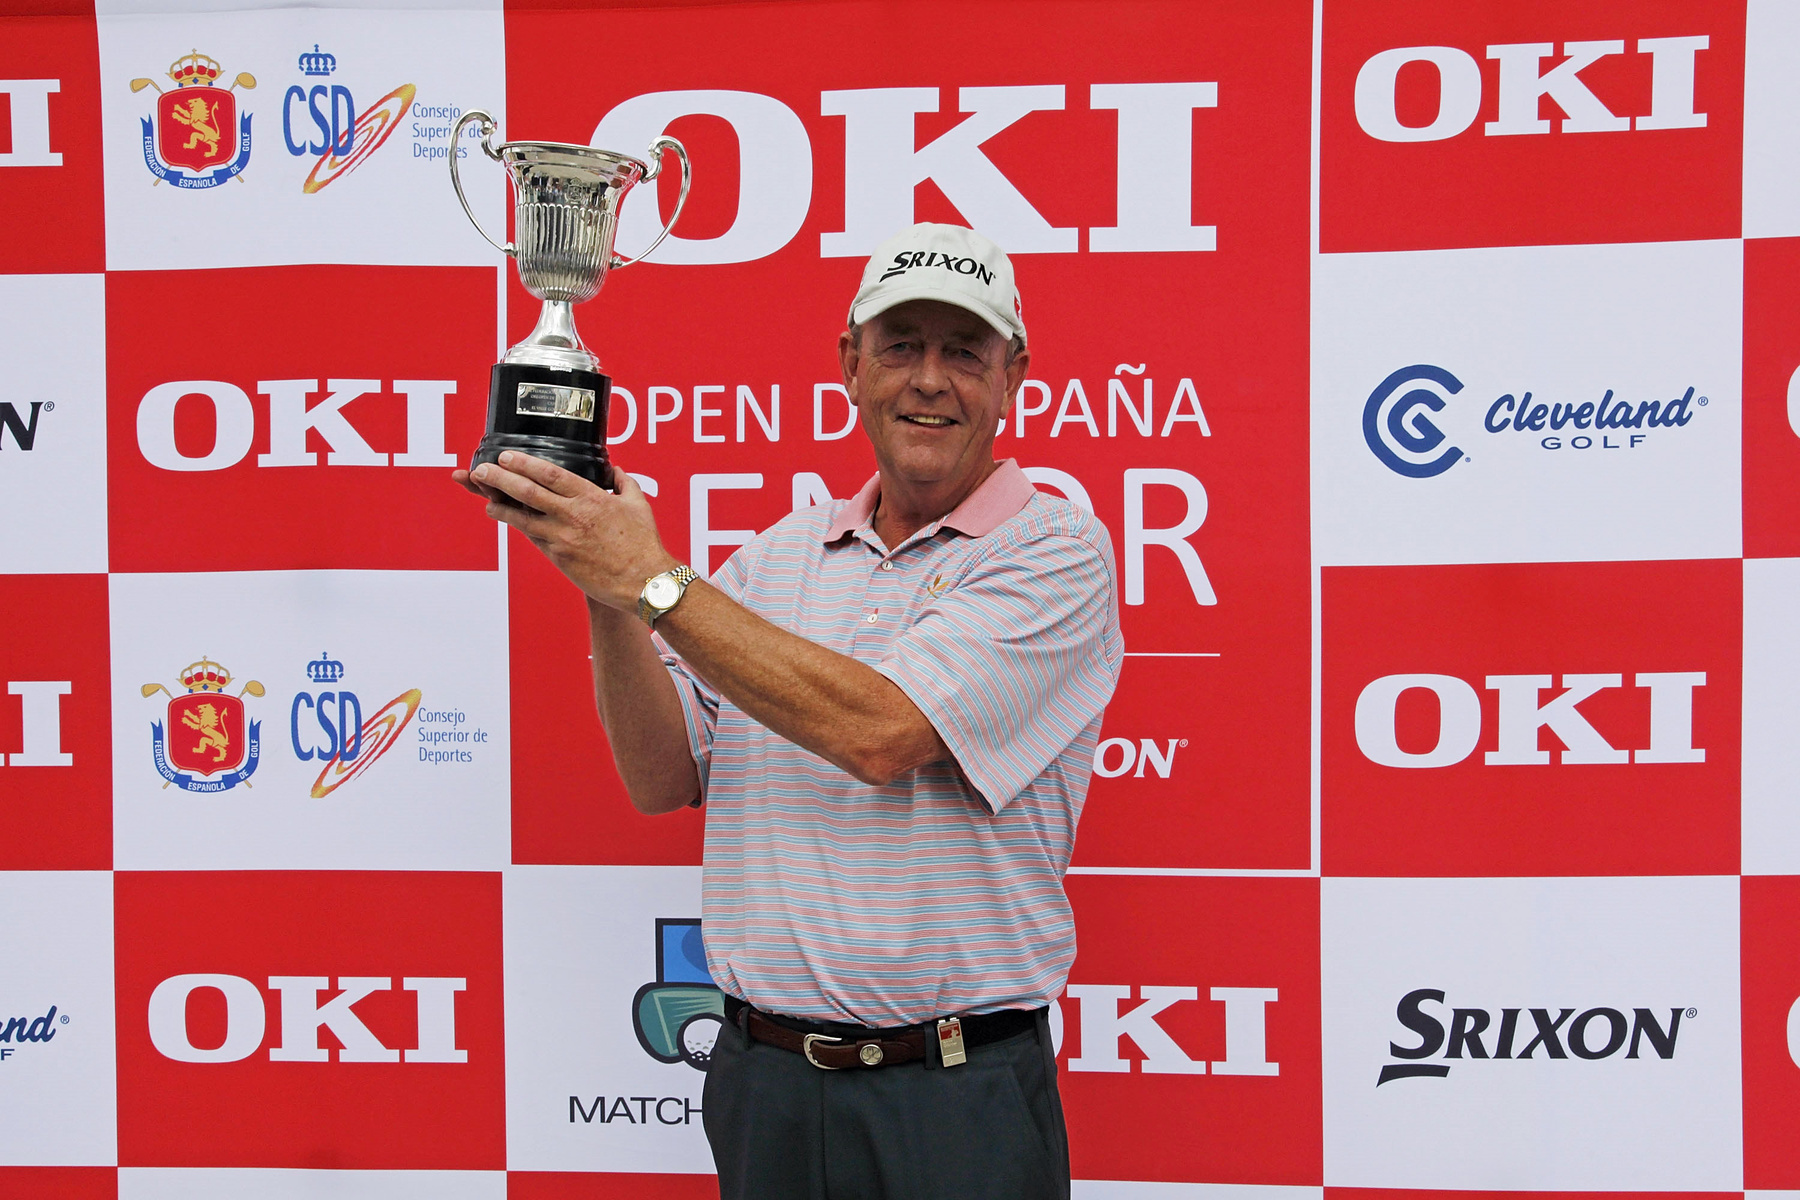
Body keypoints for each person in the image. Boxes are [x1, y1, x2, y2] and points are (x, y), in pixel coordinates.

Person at [457, 222, 1122, 1199]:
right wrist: (604, 586)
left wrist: (651, 576)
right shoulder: (773, 559)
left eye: (963, 351)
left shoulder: (1055, 552)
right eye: (902, 346)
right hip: (764, 1086)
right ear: (851, 365)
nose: (930, 379)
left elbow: (883, 732)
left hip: (955, 1099)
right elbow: (659, 777)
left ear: (1013, 373)